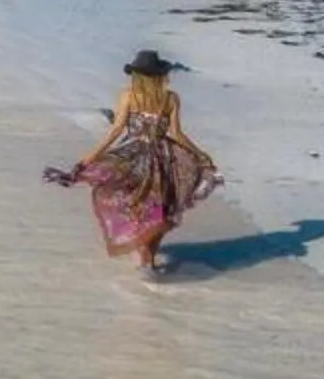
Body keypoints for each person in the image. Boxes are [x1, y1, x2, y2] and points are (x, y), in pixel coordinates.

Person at [44, 50, 219, 272]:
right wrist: (200, 154)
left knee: (134, 201)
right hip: (163, 157)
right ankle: (150, 258)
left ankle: (144, 252)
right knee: (160, 205)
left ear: (136, 75)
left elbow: (116, 131)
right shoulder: (170, 98)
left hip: (133, 155)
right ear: (159, 75)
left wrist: (90, 158)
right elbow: (177, 134)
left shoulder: (128, 96)